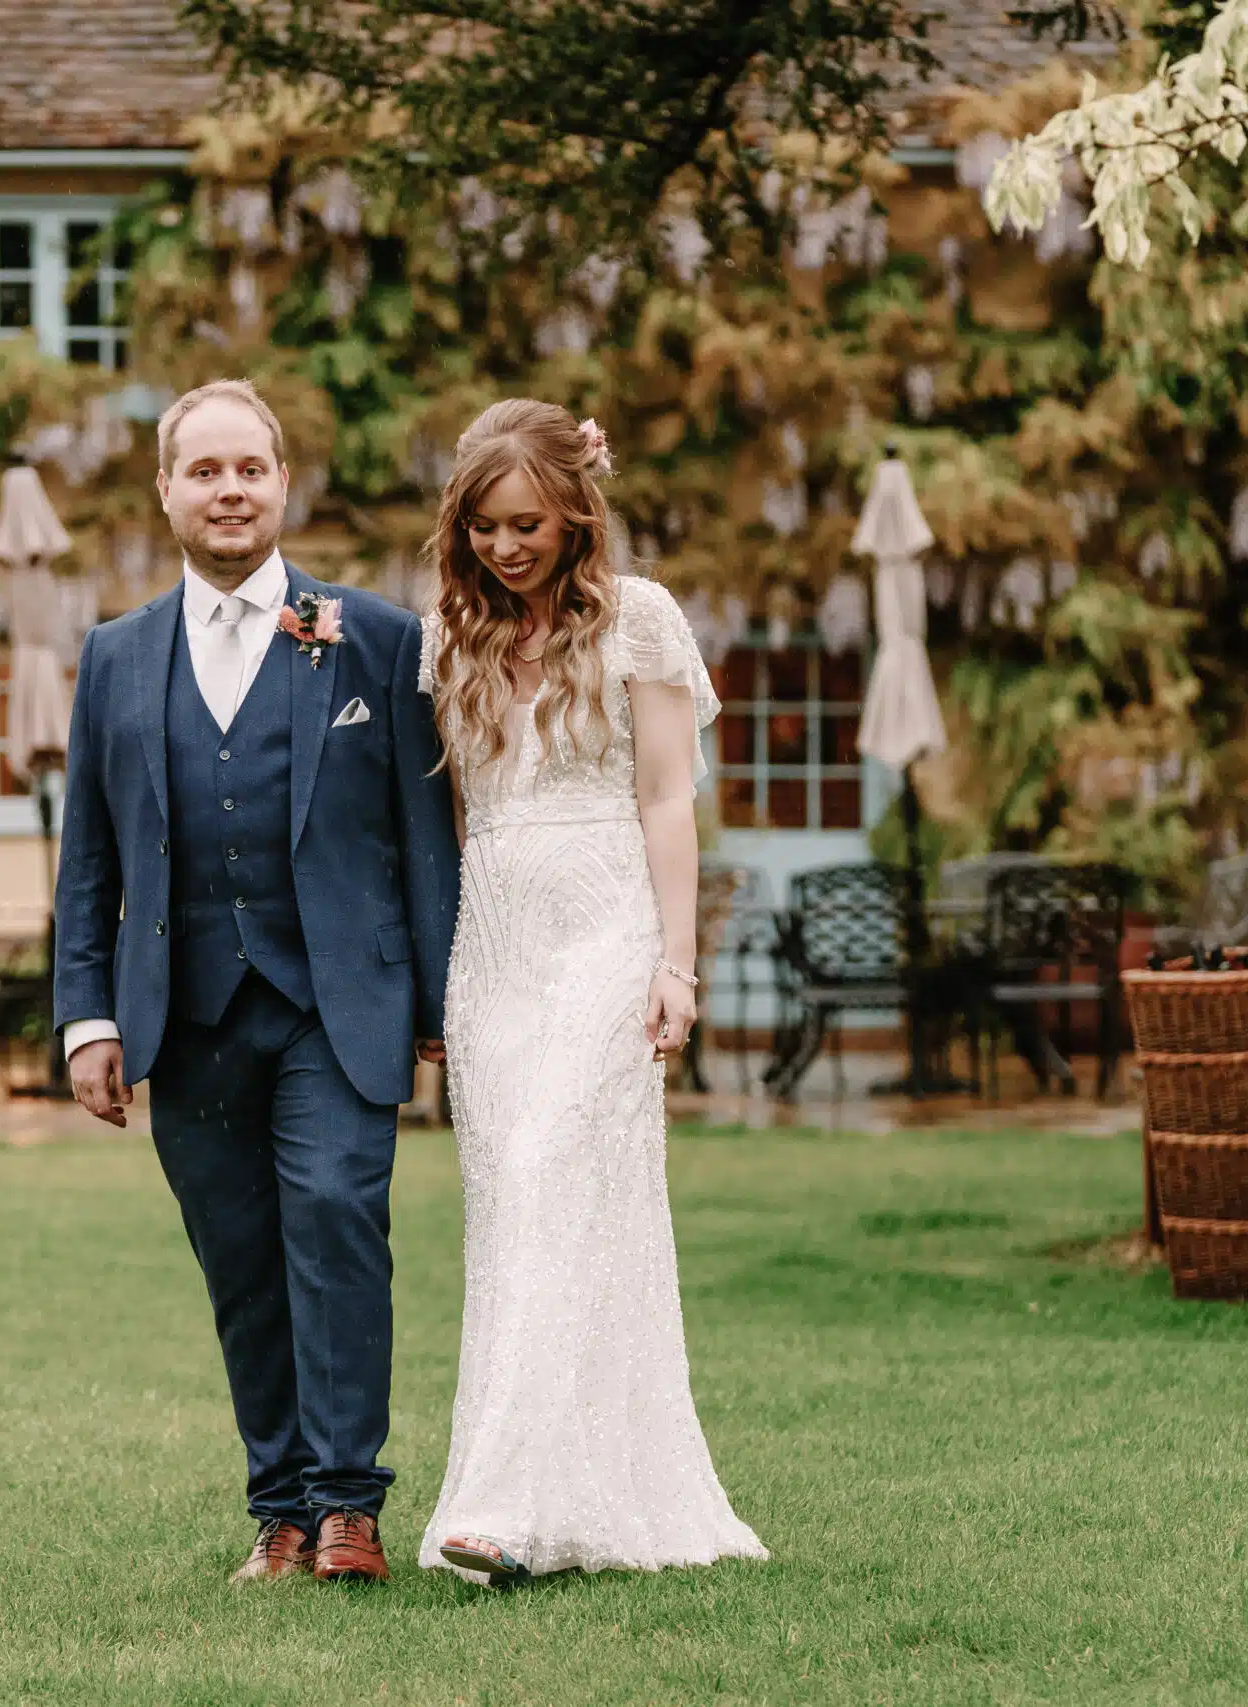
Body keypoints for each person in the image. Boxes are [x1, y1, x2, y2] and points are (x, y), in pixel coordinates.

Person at [54, 378, 460, 1585]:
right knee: (238, 1258)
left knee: (336, 1223)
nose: (229, 490)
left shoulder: (375, 638)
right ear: (165, 491)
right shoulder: (114, 657)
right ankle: (278, 1510)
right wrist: (86, 1015)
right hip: (183, 1013)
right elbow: (89, 858)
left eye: (251, 469)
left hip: (337, 1010)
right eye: (204, 470)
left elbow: (425, 836)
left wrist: (441, 1010)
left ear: (284, 484)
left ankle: (349, 1509)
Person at [415, 398, 770, 1585]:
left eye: (525, 525)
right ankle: (580, 1497)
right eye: (482, 529)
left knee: (548, 1170)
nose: (504, 549)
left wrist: (676, 964)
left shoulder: (641, 623)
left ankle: (503, 1510)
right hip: (496, 951)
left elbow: (669, 802)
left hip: (608, 930)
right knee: (520, 1211)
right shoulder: (447, 636)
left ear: (575, 514)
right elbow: (457, 816)